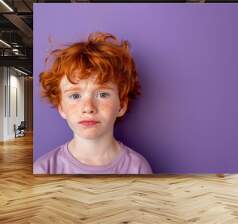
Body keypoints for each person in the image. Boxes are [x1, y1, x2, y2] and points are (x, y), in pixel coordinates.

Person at [34, 32, 152, 174]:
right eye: (75, 95)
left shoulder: (138, 168)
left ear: (121, 105)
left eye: (102, 94)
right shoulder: (44, 169)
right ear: (61, 107)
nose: (88, 108)